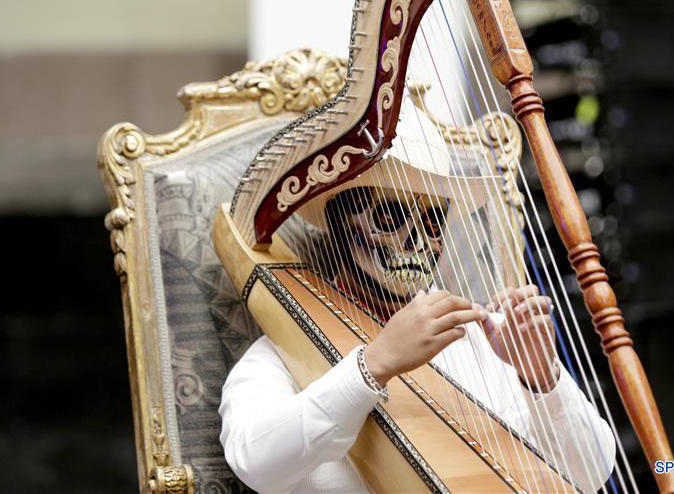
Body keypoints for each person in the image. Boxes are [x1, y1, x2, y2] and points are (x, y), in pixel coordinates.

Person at [218, 110, 616, 493]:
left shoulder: (486, 337)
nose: (418, 242)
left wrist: (542, 378)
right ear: (339, 222)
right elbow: (254, 463)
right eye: (391, 217)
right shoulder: (279, 353)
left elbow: (593, 471)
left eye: (432, 223)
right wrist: (371, 366)